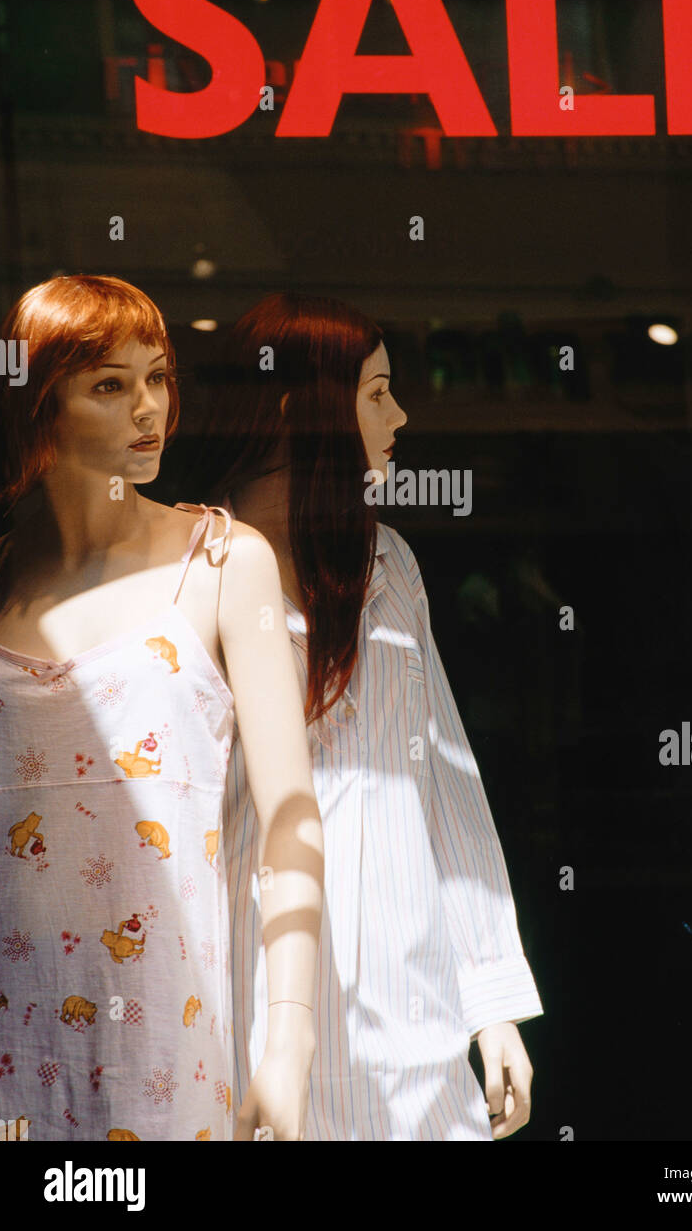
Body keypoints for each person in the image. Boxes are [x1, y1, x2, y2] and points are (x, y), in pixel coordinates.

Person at [206, 292, 543, 1141]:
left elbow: (443, 780)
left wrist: (491, 1001)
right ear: (301, 406)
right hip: (257, 994)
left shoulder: (389, 563)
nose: (401, 412)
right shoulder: (192, 568)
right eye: (376, 391)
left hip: (410, 997)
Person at [0, 274, 322, 1142]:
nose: (150, 408)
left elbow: (292, 819)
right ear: (39, 405)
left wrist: (289, 1030)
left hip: (166, 1047)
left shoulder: (221, 564)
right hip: (9, 1051)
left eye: (159, 377)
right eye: (110, 384)